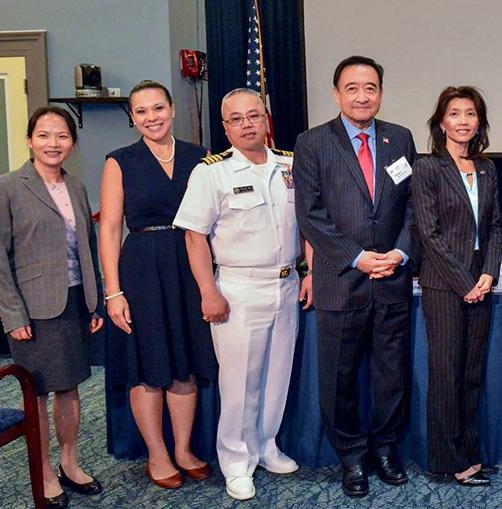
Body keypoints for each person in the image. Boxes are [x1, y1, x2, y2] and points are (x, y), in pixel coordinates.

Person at [173, 88, 312, 501]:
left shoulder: (290, 165)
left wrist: (310, 272)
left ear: (266, 118)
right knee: (240, 382)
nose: (247, 124)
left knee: (277, 375)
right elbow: (195, 237)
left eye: (254, 115)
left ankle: (266, 446)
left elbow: (308, 225)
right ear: (226, 127)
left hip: (286, 283)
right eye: (237, 119)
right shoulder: (211, 173)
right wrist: (208, 292)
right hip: (238, 288)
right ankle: (235, 460)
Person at [293, 55, 418, 498]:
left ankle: (385, 449)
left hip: (393, 279)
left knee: (391, 374)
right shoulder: (311, 144)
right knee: (339, 377)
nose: (362, 95)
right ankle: (350, 456)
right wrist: (358, 257)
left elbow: (411, 208)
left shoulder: (399, 139)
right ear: (336, 93)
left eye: (370, 87)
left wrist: (401, 252)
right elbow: (310, 215)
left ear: (380, 92)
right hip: (340, 280)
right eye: (352, 87)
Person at [0, 106, 106, 509]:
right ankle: (44, 470)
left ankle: (69, 462)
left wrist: (95, 301)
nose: (54, 144)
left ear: (72, 142)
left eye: (62, 136)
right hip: (32, 308)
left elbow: (87, 248)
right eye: (45, 135)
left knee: (69, 387)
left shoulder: (77, 187)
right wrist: (12, 314)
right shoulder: (6, 187)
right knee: (35, 391)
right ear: (30, 139)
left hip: (73, 302)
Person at [98, 80, 217, 489]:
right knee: (147, 366)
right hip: (142, 270)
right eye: (142, 112)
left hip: (189, 264)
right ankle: (158, 453)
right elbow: (110, 229)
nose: (151, 118)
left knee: (183, 361)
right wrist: (112, 292)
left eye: (158, 109)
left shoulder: (200, 157)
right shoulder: (120, 161)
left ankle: (183, 448)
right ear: (132, 118)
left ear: (172, 110)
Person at [412, 86, 502, 486]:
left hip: (480, 284)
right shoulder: (428, 168)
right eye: (455, 113)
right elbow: (429, 234)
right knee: (447, 373)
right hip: (444, 286)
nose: (463, 121)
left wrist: (488, 274)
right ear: (441, 122)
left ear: (479, 123)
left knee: (471, 373)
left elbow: (496, 228)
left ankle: (469, 453)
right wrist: (465, 282)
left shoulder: (485, 167)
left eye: (470, 114)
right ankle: (448, 459)